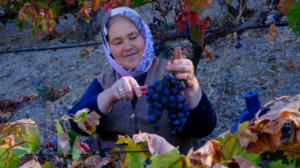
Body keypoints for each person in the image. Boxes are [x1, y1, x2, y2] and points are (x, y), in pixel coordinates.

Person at [69, 7, 217, 155]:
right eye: (117, 42)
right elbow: (79, 126)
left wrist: (191, 87)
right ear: (108, 48)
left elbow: (203, 128)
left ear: (145, 36)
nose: (127, 47)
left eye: (133, 37)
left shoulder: (173, 74)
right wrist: (109, 97)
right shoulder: (103, 82)